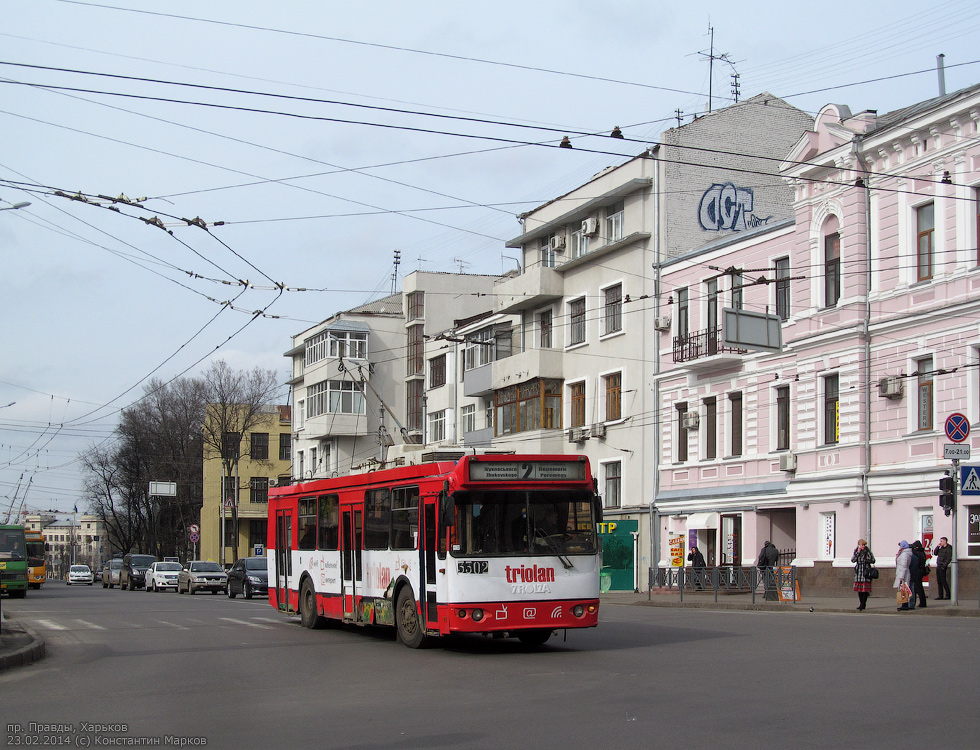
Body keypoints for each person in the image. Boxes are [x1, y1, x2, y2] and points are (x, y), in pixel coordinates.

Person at [851, 539, 875, 611]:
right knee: (860, 590)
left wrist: (866, 559)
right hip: (859, 572)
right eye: (862, 545)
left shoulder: (868, 551)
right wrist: (858, 553)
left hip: (865, 572)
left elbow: (873, 560)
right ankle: (861, 603)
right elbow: (853, 560)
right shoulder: (856, 551)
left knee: (865, 590)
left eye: (864, 545)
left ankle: (863, 604)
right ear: (859, 545)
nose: (864, 546)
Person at [895, 540, 914, 611]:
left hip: (903, 574)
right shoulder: (904, 553)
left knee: (904, 590)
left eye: (900, 545)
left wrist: (901, 577)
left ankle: (905, 604)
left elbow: (903, 566)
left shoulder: (904, 555)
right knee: (903, 589)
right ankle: (904, 604)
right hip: (903, 573)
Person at [910, 540, 927, 609]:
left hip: (918, 571)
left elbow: (918, 562)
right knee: (919, 587)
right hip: (921, 570)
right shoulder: (922, 552)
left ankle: (922, 603)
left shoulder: (917, 553)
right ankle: (923, 602)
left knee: (917, 587)